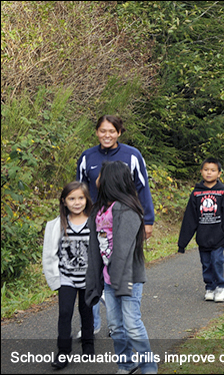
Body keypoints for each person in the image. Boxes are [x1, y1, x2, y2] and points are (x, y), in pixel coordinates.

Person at [77, 115, 154, 337]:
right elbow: (79, 191)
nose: (107, 135)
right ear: (96, 132)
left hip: (125, 220)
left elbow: (143, 187)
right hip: (95, 221)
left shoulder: (132, 155)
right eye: (102, 131)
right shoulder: (87, 157)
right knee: (91, 268)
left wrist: (147, 220)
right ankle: (91, 324)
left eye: (112, 131)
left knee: (120, 263)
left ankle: (124, 319)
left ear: (119, 132)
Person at [85, 161, 157, 374]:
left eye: (100, 176)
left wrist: (119, 282)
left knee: (132, 325)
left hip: (128, 278)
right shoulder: (98, 210)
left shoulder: (127, 209)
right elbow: (93, 248)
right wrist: (95, 280)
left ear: (110, 179)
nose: (96, 180)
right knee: (116, 326)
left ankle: (148, 366)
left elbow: (124, 248)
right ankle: (126, 363)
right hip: (109, 278)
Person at [43, 182, 94, 369]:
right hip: (66, 277)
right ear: (64, 201)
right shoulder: (56, 225)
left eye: (80, 198)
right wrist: (54, 280)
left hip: (88, 278)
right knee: (65, 313)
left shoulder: (94, 222)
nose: (77, 202)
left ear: (87, 199)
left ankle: (88, 345)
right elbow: (49, 254)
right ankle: (63, 352)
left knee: (86, 311)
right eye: (72, 198)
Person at [178, 158, 224, 302]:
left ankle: (220, 286)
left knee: (217, 260)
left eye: (213, 170)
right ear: (201, 172)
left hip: (219, 237)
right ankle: (210, 286)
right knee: (206, 264)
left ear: (219, 173)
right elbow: (189, 219)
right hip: (203, 237)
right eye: (206, 170)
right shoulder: (196, 194)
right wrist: (182, 243)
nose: (209, 173)